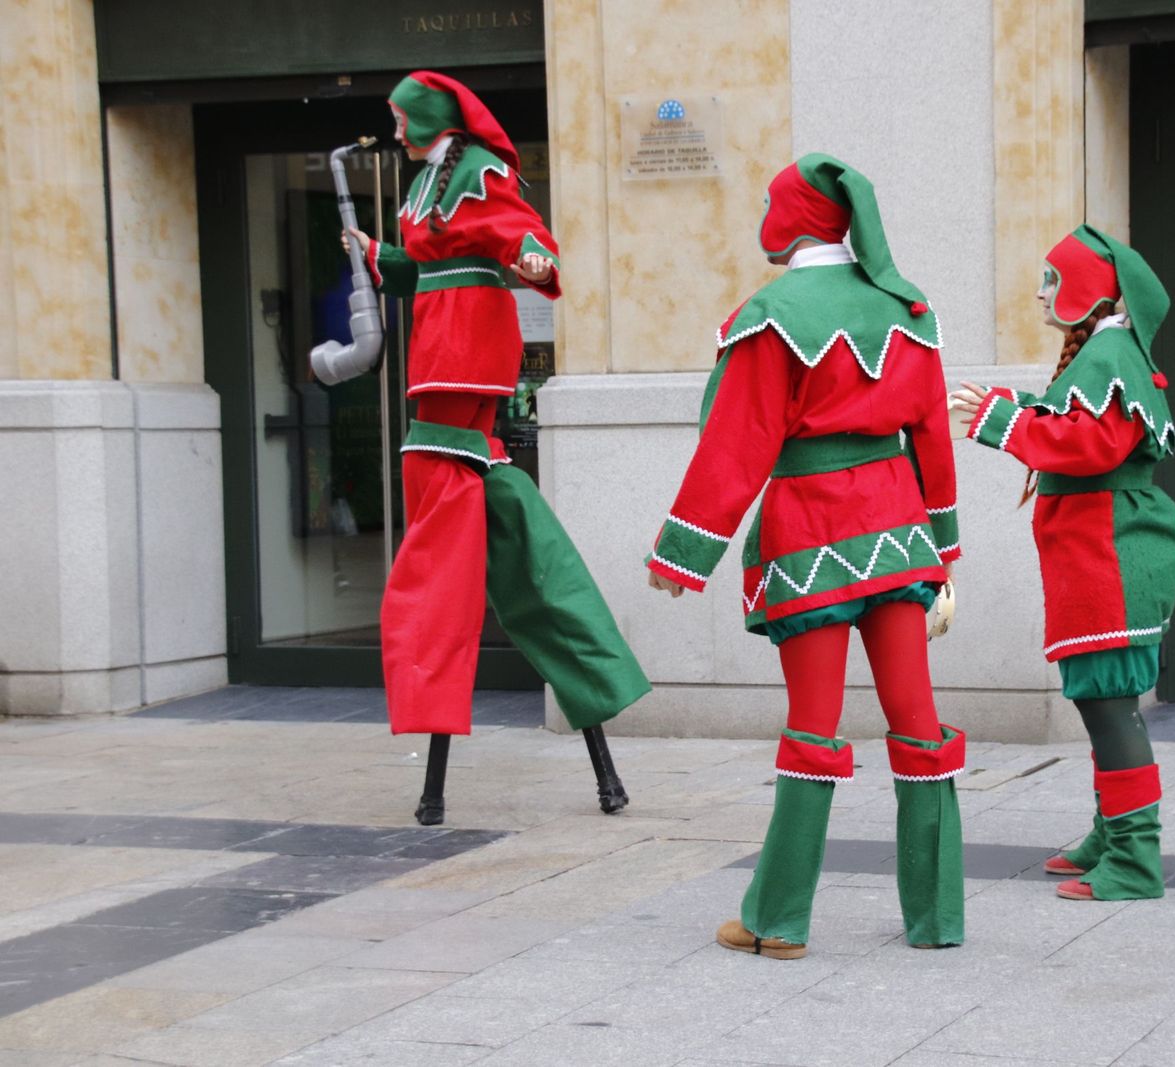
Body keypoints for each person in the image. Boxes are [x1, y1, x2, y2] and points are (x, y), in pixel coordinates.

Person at [646, 153, 965, 957]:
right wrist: (945, 551)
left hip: (813, 536)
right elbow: (931, 434)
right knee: (918, 726)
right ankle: (937, 918)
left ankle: (777, 920)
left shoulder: (770, 312)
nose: (763, 212)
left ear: (795, 216)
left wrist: (683, 551)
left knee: (813, 728)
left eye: (769, 202)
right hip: (900, 536)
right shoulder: (908, 308)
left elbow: (737, 441)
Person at [344, 70, 649, 821]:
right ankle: (593, 731)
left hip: (470, 341)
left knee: (441, 495)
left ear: (423, 120)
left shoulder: (478, 171)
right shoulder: (424, 187)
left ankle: (440, 760)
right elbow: (427, 265)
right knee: (470, 491)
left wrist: (536, 260)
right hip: (437, 343)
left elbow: (519, 234)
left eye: (398, 120)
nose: (394, 133)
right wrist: (380, 254)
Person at [951, 224, 1175, 901]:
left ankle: (1135, 858)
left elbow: (1090, 446)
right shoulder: (1111, 351)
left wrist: (1002, 423)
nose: (1039, 292)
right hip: (1096, 555)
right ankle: (1112, 832)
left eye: (1052, 281)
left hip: (1108, 557)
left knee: (1112, 707)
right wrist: (1011, 410)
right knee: (1101, 703)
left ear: (1091, 289)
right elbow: (1072, 418)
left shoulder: (1110, 349)